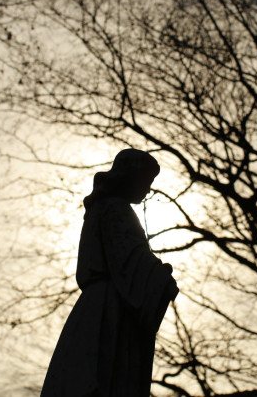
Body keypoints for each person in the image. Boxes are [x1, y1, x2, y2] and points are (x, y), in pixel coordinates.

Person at [41, 149, 179, 397]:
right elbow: (127, 261)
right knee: (108, 378)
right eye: (146, 182)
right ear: (130, 176)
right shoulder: (116, 209)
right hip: (111, 308)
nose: (148, 190)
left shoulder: (103, 207)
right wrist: (161, 277)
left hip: (101, 305)